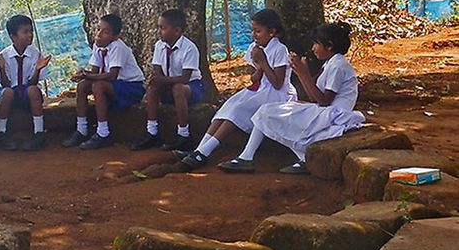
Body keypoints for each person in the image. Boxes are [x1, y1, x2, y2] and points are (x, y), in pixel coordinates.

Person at [219, 22, 363, 175]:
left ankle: (248, 157)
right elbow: (314, 98)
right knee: (268, 111)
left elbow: (324, 101)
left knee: (268, 112)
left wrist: (303, 74)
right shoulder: (330, 63)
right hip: (326, 112)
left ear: (329, 46)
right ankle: (250, 157)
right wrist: (302, 73)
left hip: (334, 115)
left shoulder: (338, 66)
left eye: (316, 44)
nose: (313, 48)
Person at [179, 9, 295, 169]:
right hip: (260, 90)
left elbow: (277, 83)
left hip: (277, 94)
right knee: (228, 106)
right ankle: (200, 148)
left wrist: (263, 62)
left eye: (258, 31)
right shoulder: (255, 48)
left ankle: (205, 151)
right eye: (253, 30)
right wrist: (259, 66)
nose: (254, 35)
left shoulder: (279, 49)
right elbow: (254, 78)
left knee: (237, 111)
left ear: (272, 32)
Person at [63, 14, 146, 150]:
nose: (99, 34)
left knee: (98, 86)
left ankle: (103, 133)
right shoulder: (98, 46)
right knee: (83, 86)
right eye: (98, 29)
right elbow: (95, 72)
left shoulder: (118, 47)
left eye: (105, 32)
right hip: (114, 85)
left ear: (115, 36)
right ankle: (81, 129)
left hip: (131, 88)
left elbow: (112, 75)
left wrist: (88, 76)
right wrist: (83, 75)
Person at [131, 9, 205, 152]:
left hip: (192, 86)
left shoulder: (189, 48)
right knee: (153, 89)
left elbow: (185, 78)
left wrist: (160, 79)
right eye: (158, 27)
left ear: (177, 31)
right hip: (170, 83)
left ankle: (184, 135)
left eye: (163, 28)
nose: (159, 31)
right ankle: (152, 131)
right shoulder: (160, 45)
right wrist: (156, 80)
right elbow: (158, 71)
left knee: (178, 88)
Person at [0, 14, 51, 151]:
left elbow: (32, 83)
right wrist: (1, 67)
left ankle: (39, 132)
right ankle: (0, 132)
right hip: (10, 91)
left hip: (27, 92)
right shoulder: (3, 55)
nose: (30, 35)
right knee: (7, 93)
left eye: (30, 31)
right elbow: (5, 85)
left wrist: (37, 69)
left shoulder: (35, 54)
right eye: (25, 32)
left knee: (33, 90)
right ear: (13, 37)